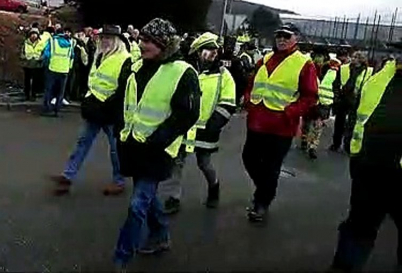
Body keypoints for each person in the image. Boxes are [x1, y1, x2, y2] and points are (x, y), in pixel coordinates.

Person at [114, 18, 200, 271]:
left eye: (149, 41)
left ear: (164, 45)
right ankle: (161, 236)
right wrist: (120, 128)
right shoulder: (136, 67)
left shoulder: (183, 72)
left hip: (158, 151)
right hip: (133, 146)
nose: (142, 44)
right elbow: (125, 103)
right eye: (141, 39)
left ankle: (121, 257)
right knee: (148, 199)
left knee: (137, 204)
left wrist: (159, 139)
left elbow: (187, 114)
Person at [331, 57, 401, 272]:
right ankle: (343, 267)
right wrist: (355, 153)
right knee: (359, 224)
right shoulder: (379, 77)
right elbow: (359, 115)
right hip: (369, 167)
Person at [243, 23, 318, 223]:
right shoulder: (265, 59)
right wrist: (249, 101)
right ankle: (264, 191)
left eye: (286, 36)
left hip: (281, 127)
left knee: (271, 167)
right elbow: (252, 84)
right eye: (279, 36)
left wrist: (290, 112)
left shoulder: (304, 63)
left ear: (296, 39)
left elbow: (310, 96)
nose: (282, 40)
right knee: (249, 158)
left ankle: (262, 203)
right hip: (257, 121)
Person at [50, 26, 132, 196]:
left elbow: (124, 89)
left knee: (115, 148)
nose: (104, 41)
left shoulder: (125, 59)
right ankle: (67, 176)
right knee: (82, 142)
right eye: (103, 38)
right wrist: (88, 100)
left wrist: (105, 105)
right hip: (96, 109)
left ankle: (119, 181)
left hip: (111, 112)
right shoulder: (100, 56)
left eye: (108, 38)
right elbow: (94, 80)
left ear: (117, 40)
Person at [159, 32, 236, 214]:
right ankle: (173, 197)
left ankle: (214, 187)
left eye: (215, 49)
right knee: (177, 162)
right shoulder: (185, 70)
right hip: (183, 126)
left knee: (204, 164)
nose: (213, 53)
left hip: (205, 130)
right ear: (197, 51)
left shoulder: (223, 75)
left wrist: (215, 124)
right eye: (208, 49)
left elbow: (228, 101)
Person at [330, 51, 373, 154]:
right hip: (343, 98)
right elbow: (336, 83)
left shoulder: (369, 71)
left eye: (357, 57)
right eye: (353, 56)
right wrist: (337, 96)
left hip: (357, 100)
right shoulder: (344, 68)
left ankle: (347, 145)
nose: (354, 59)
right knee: (339, 122)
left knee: (352, 124)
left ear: (362, 59)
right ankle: (336, 143)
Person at [300, 47, 336, 159]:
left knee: (318, 125)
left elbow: (335, 86)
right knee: (306, 123)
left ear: (325, 57)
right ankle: (304, 140)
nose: (318, 59)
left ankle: (313, 147)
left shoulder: (332, 70)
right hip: (309, 101)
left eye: (321, 56)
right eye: (317, 56)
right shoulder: (308, 67)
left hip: (323, 102)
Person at [41, 26, 74, 116]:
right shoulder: (70, 42)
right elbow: (72, 56)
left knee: (49, 89)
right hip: (64, 70)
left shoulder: (52, 41)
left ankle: (47, 108)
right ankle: (57, 110)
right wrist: (69, 68)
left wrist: (46, 64)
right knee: (61, 91)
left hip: (52, 68)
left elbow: (46, 54)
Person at [20, 28, 44, 101]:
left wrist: (41, 58)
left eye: (35, 34)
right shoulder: (25, 43)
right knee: (27, 81)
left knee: (35, 81)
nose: (34, 36)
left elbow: (43, 52)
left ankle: (34, 95)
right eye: (32, 34)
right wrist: (23, 57)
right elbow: (22, 52)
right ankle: (26, 95)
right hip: (28, 64)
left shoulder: (41, 43)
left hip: (37, 64)